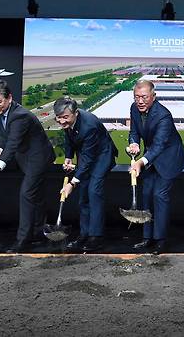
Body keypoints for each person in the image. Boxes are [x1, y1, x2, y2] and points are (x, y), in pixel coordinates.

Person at [0, 81, 56, 252]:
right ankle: (39, 233)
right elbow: (3, 136)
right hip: (26, 157)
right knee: (35, 197)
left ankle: (22, 241)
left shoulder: (19, 115)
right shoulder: (3, 112)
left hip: (38, 158)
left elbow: (13, 144)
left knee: (27, 194)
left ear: (9, 98)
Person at [127, 80, 184, 255]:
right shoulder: (134, 108)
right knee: (146, 194)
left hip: (169, 157)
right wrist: (134, 144)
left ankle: (160, 240)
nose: (140, 101)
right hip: (150, 157)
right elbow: (134, 131)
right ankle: (147, 237)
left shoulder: (163, 115)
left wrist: (140, 162)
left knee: (159, 195)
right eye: (137, 97)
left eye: (144, 97)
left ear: (153, 97)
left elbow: (159, 145)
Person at [54, 97, 117, 252]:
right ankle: (84, 233)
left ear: (75, 113)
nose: (62, 121)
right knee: (83, 195)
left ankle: (96, 237)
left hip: (102, 155)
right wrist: (68, 157)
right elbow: (69, 137)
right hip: (87, 154)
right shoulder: (67, 120)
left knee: (93, 191)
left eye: (65, 117)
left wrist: (72, 183)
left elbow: (88, 160)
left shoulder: (89, 126)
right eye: (59, 118)